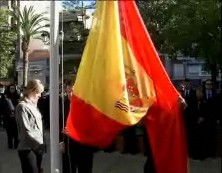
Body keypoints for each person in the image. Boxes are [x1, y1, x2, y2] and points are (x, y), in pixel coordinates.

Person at [59, 79, 96, 173]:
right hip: (69, 146)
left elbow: (91, 126)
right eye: (67, 92)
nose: (70, 95)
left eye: (72, 92)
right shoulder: (64, 105)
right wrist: (60, 141)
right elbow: (60, 123)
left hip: (84, 146)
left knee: (84, 169)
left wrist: (73, 132)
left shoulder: (87, 106)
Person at [15, 79, 45, 173]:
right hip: (27, 149)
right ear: (31, 91)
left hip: (37, 148)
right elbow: (26, 129)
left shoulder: (33, 106)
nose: (40, 95)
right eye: (38, 93)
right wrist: (39, 143)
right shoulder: (22, 106)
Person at [2, 84, 20, 149]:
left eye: (13, 88)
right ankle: (10, 145)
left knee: (16, 132)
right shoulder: (5, 97)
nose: (12, 90)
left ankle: (16, 145)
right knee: (9, 132)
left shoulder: (17, 97)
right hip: (8, 117)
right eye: (11, 88)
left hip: (15, 118)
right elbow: (2, 106)